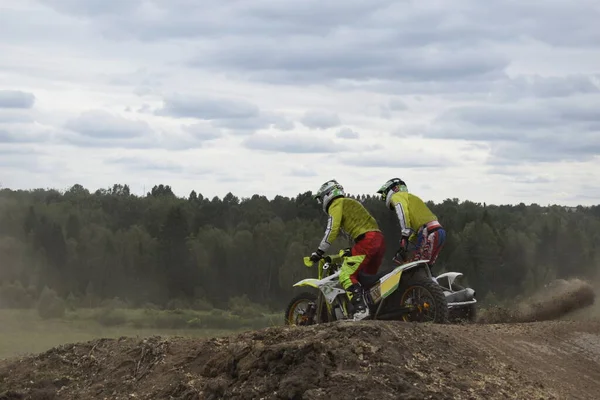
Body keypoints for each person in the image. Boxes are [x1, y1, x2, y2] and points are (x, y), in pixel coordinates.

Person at [309, 179, 386, 321]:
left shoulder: (336, 204)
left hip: (367, 240)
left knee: (346, 275)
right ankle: (376, 310)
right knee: (365, 281)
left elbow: (332, 229)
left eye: (321, 199)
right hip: (378, 239)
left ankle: (361, 310)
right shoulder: (351, 203)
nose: (322, 203)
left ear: (328, 194)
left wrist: (320, 251)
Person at [376, 178, 446, 269]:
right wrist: (408, 242)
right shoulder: (412, 197)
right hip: (439, 231)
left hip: (428, 232)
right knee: (427, 267)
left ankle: (427, 282)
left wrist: (404, 234)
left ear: (393, 189)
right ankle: (433, 282)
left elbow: (403, 212)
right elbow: (420, 224)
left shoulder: (397, 196)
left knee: (418, 268)